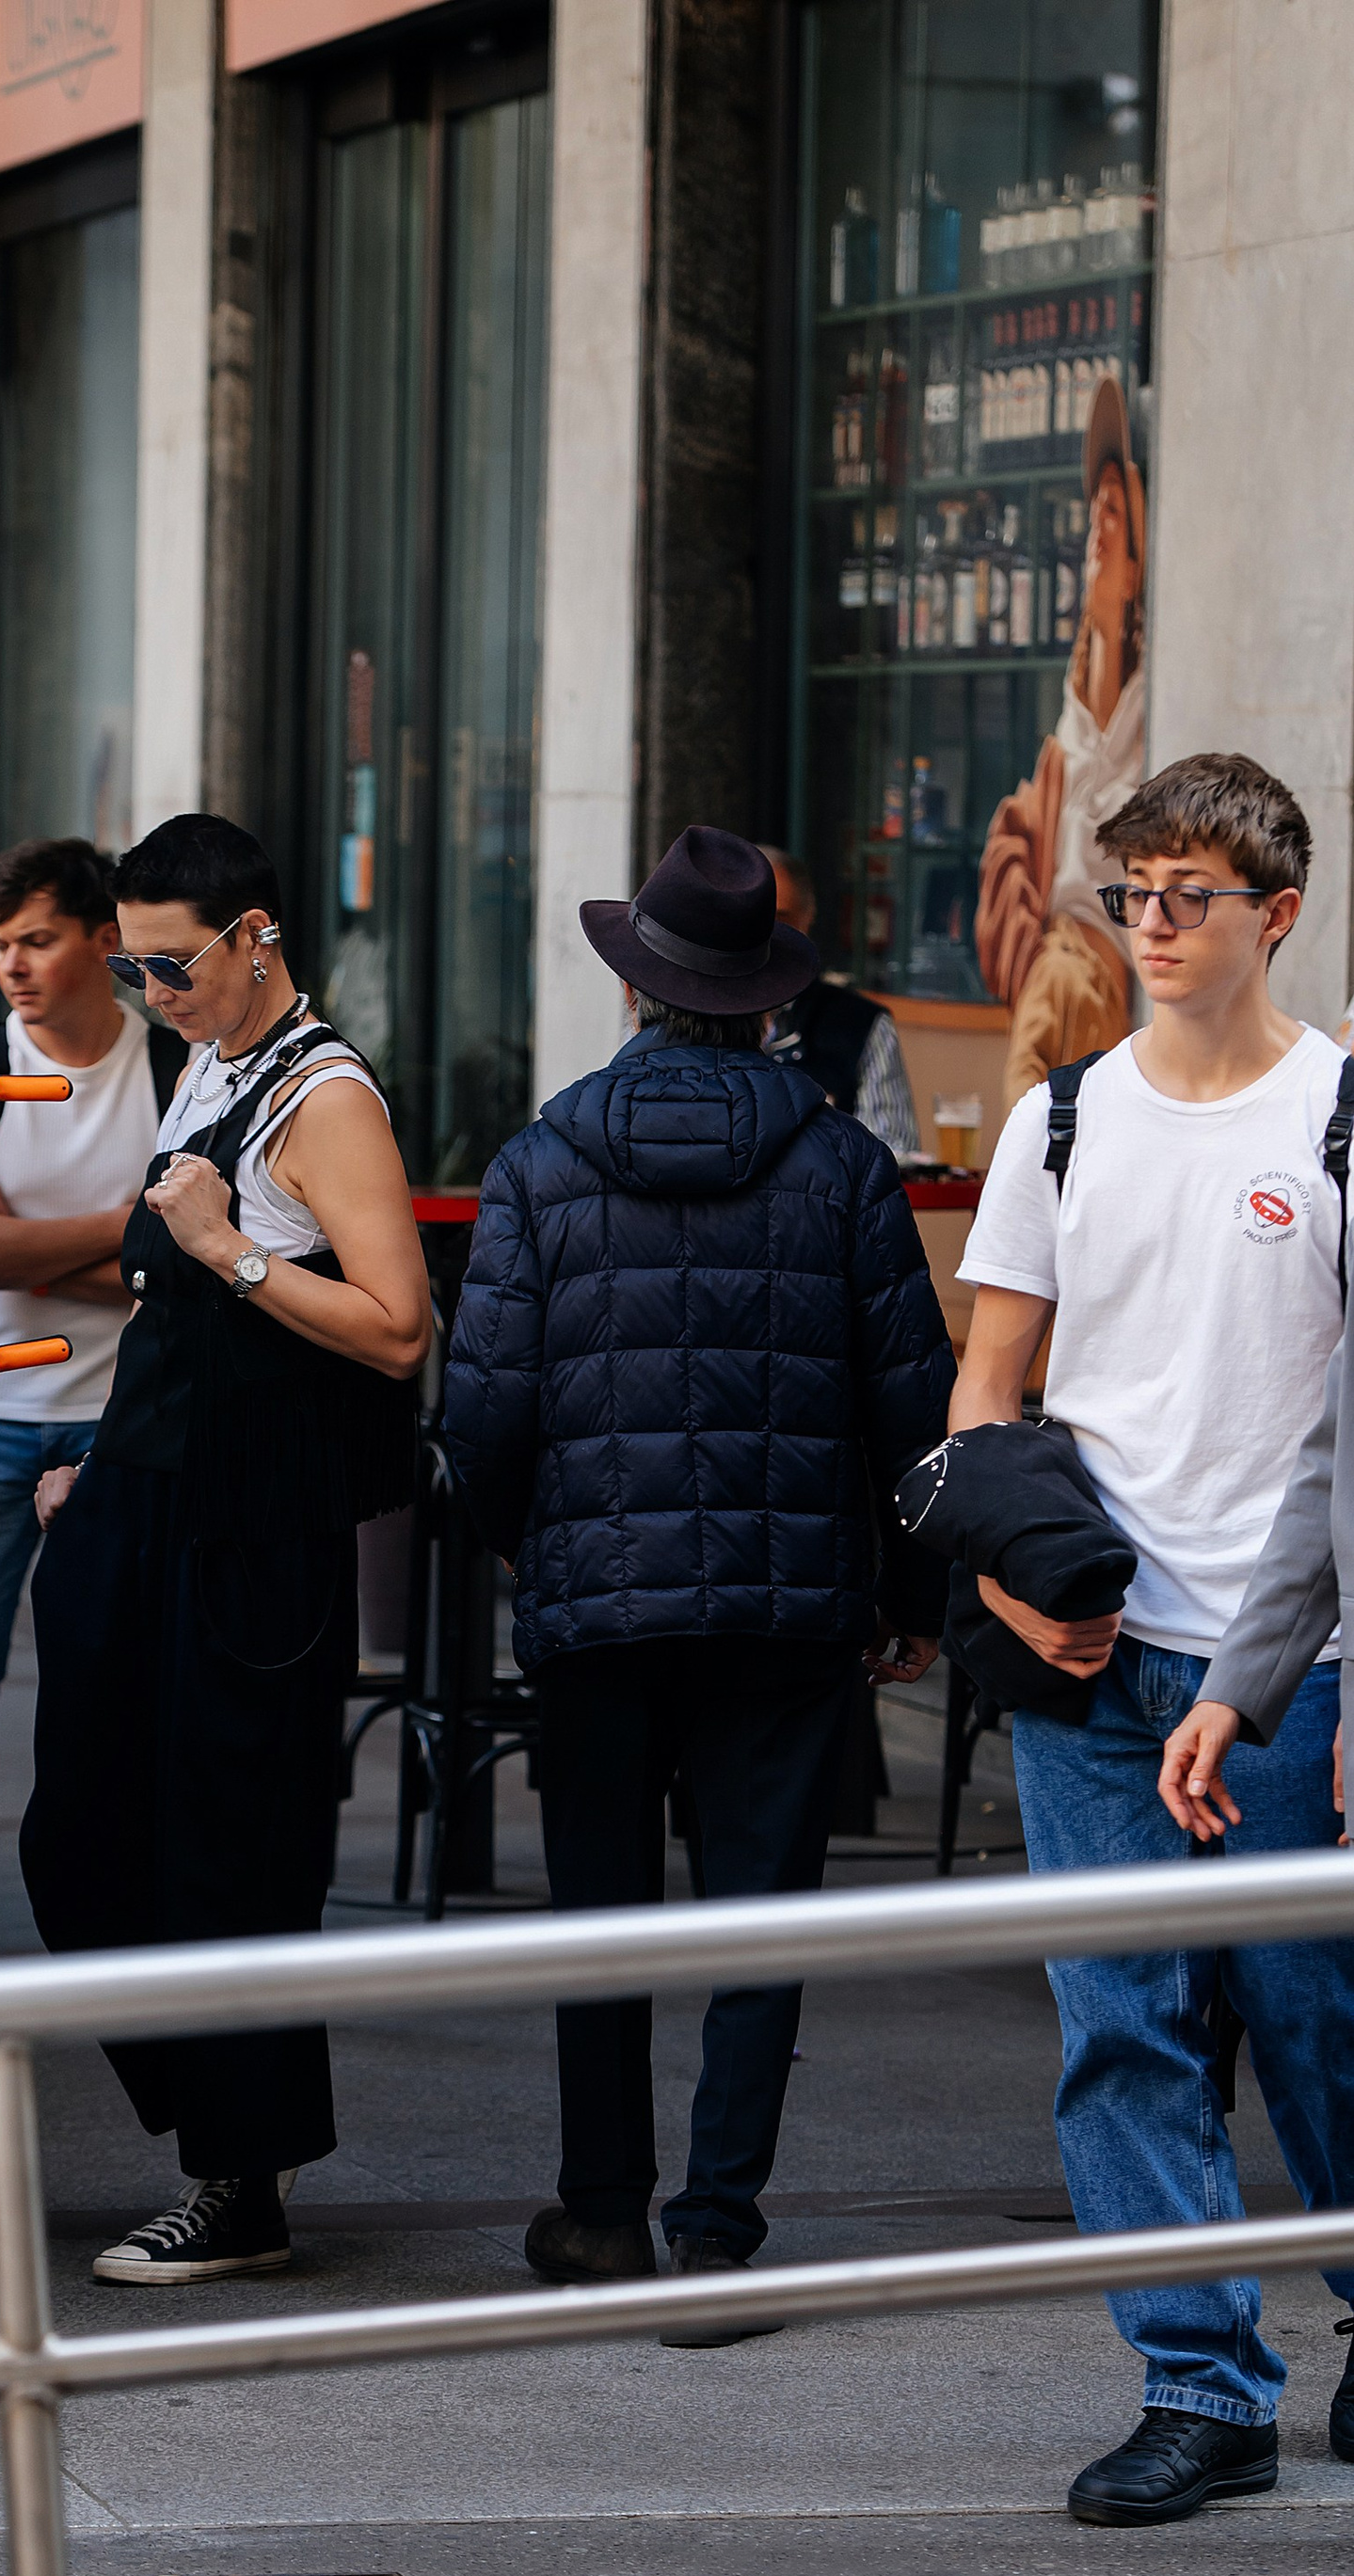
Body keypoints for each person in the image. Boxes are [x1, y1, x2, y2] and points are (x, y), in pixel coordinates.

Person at [443, 828, 952, 2344]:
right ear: (769, 1000)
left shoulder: (538, 1162)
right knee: (760, 1921)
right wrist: (914, 1595)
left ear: (634, 988)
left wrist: (529, 1545)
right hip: (791, 1609)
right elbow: (914, 1409)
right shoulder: (846, 1167)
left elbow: (484, 1412)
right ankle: (718, 2233)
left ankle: (602, 2214)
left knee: (600, 1918)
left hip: (597, 1604)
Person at [950, 749, 1354, 2524]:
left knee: (1317, 2020)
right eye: (1134, 895)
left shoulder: (1337, 1118)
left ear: (1279, 913)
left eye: (1194, 897)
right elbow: (988, 1383)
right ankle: (1200, 2386)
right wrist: (1000, 1578)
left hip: (1292, 1661)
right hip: (1094, 1655)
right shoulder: (1063, 1119)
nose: (1157, 926)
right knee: (1122, 2026)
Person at [19, 814, 428, 2282]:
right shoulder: (208, 1065)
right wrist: (104, 1460)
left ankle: (241, 2176)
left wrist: (230, 1250)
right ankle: (213, 2120)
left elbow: (398, 1329)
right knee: (79, 1841)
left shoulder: (325, 1095)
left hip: (251, 1532)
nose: (154, 994)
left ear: (257, 939)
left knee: (231, 1854)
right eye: (135, 969)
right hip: (145, 1507)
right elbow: (169, 1324)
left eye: (175, 966)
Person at [0, 839, 183, 1921]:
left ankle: (116, 1893)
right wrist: (134, 1226)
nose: (13, 963)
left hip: (117, 1419)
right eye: (0, 943)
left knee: (114, 1671)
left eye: (37, 939)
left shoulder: (172, 1071)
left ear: (103, 942)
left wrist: (34, 1251)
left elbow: (182, 1274)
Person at [976, 372, 1147, 1110]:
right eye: (1094, 513)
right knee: (1025, 1134)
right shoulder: (1076, 708)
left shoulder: (1158, 707)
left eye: (1115, 513)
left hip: (1120, 988)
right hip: (1056, 968)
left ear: (1140, 554)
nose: (1097, 533)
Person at [759, 848, 924, 1163]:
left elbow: (893, 1152)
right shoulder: (690, 1018)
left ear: (808, 918)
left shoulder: (861, 1023)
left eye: (781, 919)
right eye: (750, 918)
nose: (764, 933)